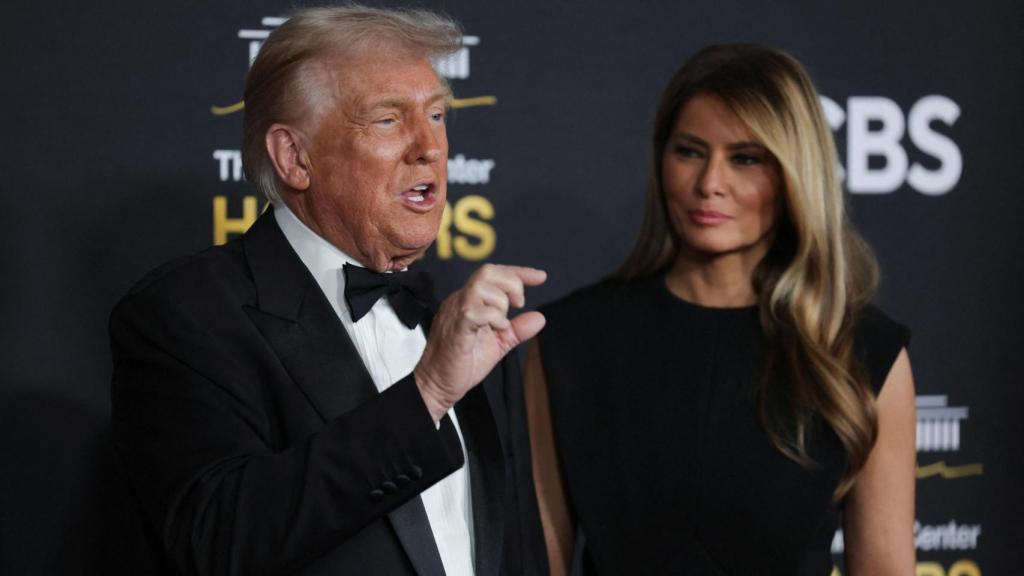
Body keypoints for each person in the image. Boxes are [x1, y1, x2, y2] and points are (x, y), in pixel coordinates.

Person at [110, 6, 548, 575]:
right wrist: (427, 394)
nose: (431, 147)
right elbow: (218, 539)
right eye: (388, 120)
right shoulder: (184, 317)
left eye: (436, 114)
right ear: (294, 157)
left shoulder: (457, 324)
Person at [525, 44, 916, 575]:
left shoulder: (858, 352)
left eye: (745, 159)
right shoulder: (571, 342)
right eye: (689, 151)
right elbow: (537, 561)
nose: (710, 183)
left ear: (793, 173)